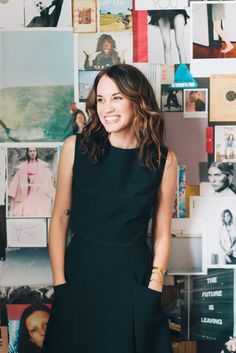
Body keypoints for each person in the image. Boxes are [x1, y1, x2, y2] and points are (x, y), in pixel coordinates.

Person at [42, 64, 177, 353]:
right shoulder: (74, 148)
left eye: (116, 97)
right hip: (80, 276)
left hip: (133, 281)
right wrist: (60, 284)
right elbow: (59, 221)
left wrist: (154, 288)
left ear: (137, 100)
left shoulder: (164, 160)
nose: (107, 108)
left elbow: (163, 234)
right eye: (100, 99)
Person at [8, 148, 55, 217]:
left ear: (36, 152)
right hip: (26, 189)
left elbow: (48, 176)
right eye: (30, 151)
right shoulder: (23, 166)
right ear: (28, 153)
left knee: (36, 208)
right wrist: (12, 191)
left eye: (34, 151)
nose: (32, 153)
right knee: (25, 209)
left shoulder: (43, 166)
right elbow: (18, 177)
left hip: (38, 190)